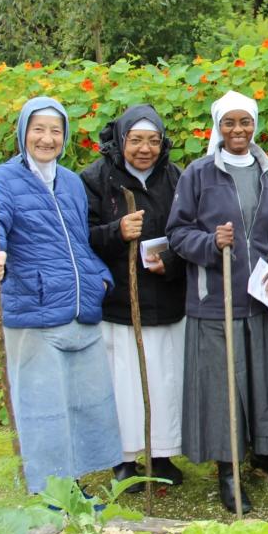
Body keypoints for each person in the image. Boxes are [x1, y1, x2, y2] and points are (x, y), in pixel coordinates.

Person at [0, 96, 121, 493]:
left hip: (79, 310)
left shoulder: (71, 182)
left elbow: (78, 242)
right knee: (43, 413)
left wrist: (99, 277)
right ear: (23, 132)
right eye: (38, 128)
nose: (47, 138)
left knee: (82, 409)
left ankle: (72, 487)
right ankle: (49, 497)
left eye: (55, 130)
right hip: (34, 310)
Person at [166, 90, 268, 513]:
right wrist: (209, 242)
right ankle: (228, 469)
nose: (238, 131)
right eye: (229, 123)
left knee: (264, 381)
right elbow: (177, 233)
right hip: (215, 300)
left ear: (255, 125)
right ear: (217, 127)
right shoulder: (199, 174)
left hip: (259, 298)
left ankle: (267, 452)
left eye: (245, 122)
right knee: (225, 388)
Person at [80, 104, 187, 490]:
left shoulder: (176, 178)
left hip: (166, 297)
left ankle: (160, 453)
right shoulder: (96, 179)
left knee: (164, 382)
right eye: (136, 140)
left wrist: (172, 261)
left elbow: (188, 231)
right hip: (120, 303)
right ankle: (123, 460)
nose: (145, 148)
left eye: (153, 140)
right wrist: (116, 231)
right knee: (123, 385)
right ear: (121, 139)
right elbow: (82, 236)